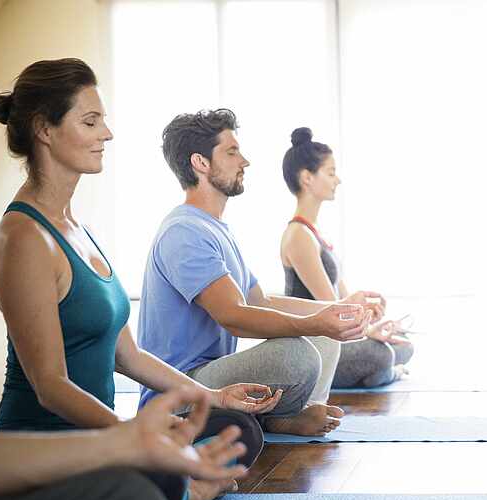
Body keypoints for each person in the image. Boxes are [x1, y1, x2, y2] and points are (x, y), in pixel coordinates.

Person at [0, 58, 278, 500]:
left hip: (105, 441)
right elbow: (49, 385)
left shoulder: (76, 228)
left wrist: (212, 396)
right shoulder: (23, 237)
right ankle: (185, 489)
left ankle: (173, 482)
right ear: (45, 129)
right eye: (91, 120)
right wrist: (131, 438)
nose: (108, 133)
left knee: (233, 427)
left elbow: (129, 355)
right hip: (47, 455)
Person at [138, 110, 381, 436]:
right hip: (180, 388)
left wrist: (334, 313)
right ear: (201, 163)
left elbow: (261, 301)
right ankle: (276, 416)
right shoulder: (184, 231)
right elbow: (234, 316)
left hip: (211, 375)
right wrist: (312, 323)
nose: (244, 161)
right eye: (232, 152)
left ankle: (294, 413)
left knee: (321, 336)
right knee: (296, 355)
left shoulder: (216, 228)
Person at [0, 387, 248, 500]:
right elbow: (50, 385)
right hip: (37, 448)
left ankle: (189, 491)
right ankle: (191, 494)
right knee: (144, 498)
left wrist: (129, 440)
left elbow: (130, 356)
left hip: (55, 452)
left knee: (239, 428)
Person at [281, 127, 414, 388]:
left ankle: (382, 372)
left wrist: (372, 321)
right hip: (316, 347)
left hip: (335, 337)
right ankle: (387, 373)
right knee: (379, 354)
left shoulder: (314, 234)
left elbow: (344, 302)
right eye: (330, 173)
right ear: (307, 178)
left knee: (404, 344)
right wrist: (367, 333)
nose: (337, 180)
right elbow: (332, 310)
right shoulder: (298, 236)